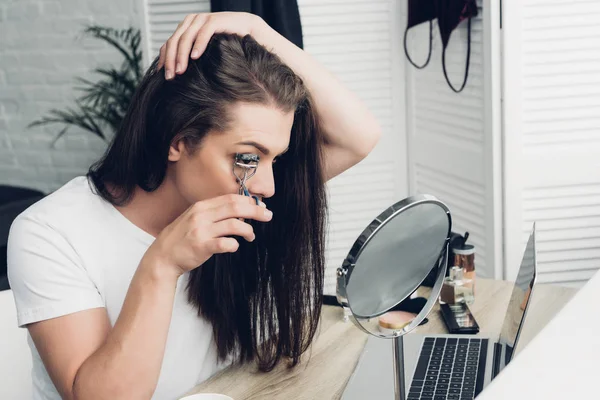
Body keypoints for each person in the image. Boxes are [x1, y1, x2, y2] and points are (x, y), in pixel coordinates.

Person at [7, 12, 381, 400]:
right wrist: (162, 264)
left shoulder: (239, 200)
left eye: (276, 159)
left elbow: (359, 136)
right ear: (178, 141)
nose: (269, 185)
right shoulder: (49, 232)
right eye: (247, 158)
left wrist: (258, 30)